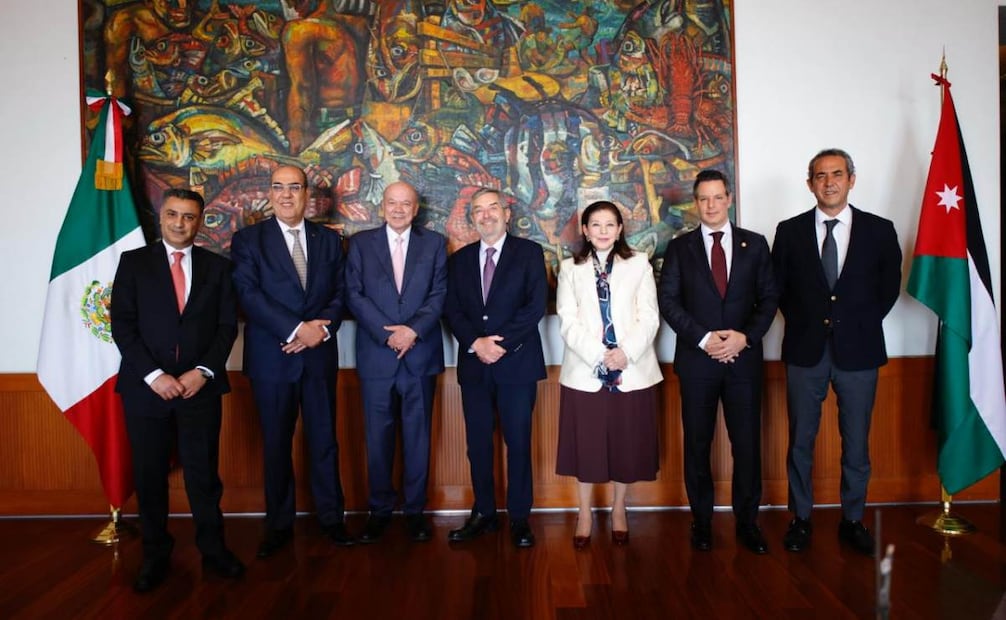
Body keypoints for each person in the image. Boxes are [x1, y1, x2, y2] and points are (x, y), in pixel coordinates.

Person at [111, 188, 242, 592]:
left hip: (198, 389)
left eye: (189, 216)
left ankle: (213, 550)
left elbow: (226, 328)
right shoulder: (133, 264)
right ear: (161, 216)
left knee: (203, 477)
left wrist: (202, 371)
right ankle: (155, 555)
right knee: (150, 476)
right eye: (173, 215)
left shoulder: (218, 268)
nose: (180, 223)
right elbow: (123, 326)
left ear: (199, 221)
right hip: (146, 390)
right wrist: (155, 376)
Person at [772, 149, 901, 556]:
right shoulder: (789, 231)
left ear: (851, 179)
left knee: (857, 443)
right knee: (801, 442)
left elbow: (888, 289)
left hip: (859, 353)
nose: (829, 182)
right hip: (805, 352)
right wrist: (812, 322)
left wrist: (853, 323)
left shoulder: (880, 230)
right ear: (809, 183)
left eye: (837, 174)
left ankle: (853, 519)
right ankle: (801, 519)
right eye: (820, 175)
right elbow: (780, 291)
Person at [230, 165, 356, 557]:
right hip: (273, 358)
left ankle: (332, 519)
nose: (286, 195)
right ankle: (278, 525)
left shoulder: (328, 240)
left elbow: (341, 292)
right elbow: (247, 295)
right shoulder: (248, 240)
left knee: (324, 441)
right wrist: (295, 329)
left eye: (294, 188)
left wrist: (321, 329)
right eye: (279, 187)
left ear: (307, 195)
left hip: (318, 355)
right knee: (276, 444)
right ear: (270, 193)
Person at [658, 170, 779, 554]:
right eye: (703, 199)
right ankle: (702, 522)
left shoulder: (755, 245)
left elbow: (769, 299)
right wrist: (705, 338)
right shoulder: (680, 248)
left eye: (716, 197)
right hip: (697, 363)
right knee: (697, 444)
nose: (710, 205)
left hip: (743, 361)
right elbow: (669, 302)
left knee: (746, 445)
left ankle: (748, 522)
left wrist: (744, 338)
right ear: (696, 203)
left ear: (729, 199)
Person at [443, 188, 547, 548]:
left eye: (492, 209)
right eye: (478, 210)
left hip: (516, 364)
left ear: (506, 214)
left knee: (518, 443)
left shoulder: (530, 253)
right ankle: (484, 512)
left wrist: (498, 345)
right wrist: (476, 343)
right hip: (475, 367)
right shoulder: (459, 260)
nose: (486, 216)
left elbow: (535, 307)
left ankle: (519, 518)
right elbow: (452, 310)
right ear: (472, 218)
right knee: (478, 444)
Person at [555, 200, 662, 549]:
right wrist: (600, 357)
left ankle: (619, 509)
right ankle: (584, 512)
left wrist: (624, 354)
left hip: (631, 370)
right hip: (585, 372)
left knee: (625, 444)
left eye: (610, 225)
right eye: (595, 225)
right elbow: (567, 321)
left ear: (619, 230)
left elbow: (649, 317)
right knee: (586, 445)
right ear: (585, 230)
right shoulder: (570, 268)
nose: (602, 231)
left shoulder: (639, 265)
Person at [345, 181, 447, 543]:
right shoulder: (360, 244)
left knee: (418, 440)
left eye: (406, 204)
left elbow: (439, 294)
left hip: (420, 355)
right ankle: (380, 510)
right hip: (377, 356)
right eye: (393, 203)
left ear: (416, 208)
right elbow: (353, 295)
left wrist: (412, 331)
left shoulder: (434, 244)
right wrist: (388, 334)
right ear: (382, 205)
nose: (399, 209)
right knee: (378, 439)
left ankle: (415, 512)